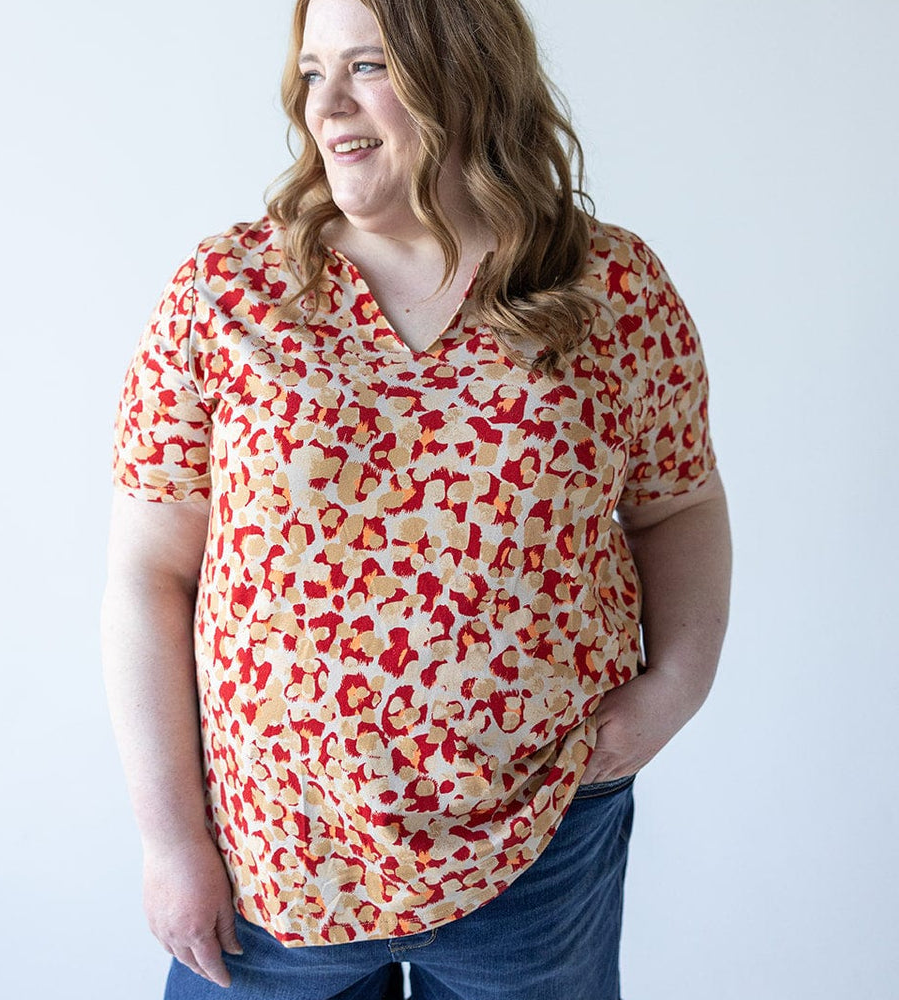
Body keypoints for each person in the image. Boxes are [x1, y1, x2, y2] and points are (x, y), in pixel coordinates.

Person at [101, 0, 732, 997]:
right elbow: (149, 570)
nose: (329, 107)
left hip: (539, 843)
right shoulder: (225, 293)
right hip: (272, 858)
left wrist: (676, 688)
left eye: (367, 67)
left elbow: (677, 503)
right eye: (313, 73)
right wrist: (170, 841)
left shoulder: (609, 287)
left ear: (465, 70)